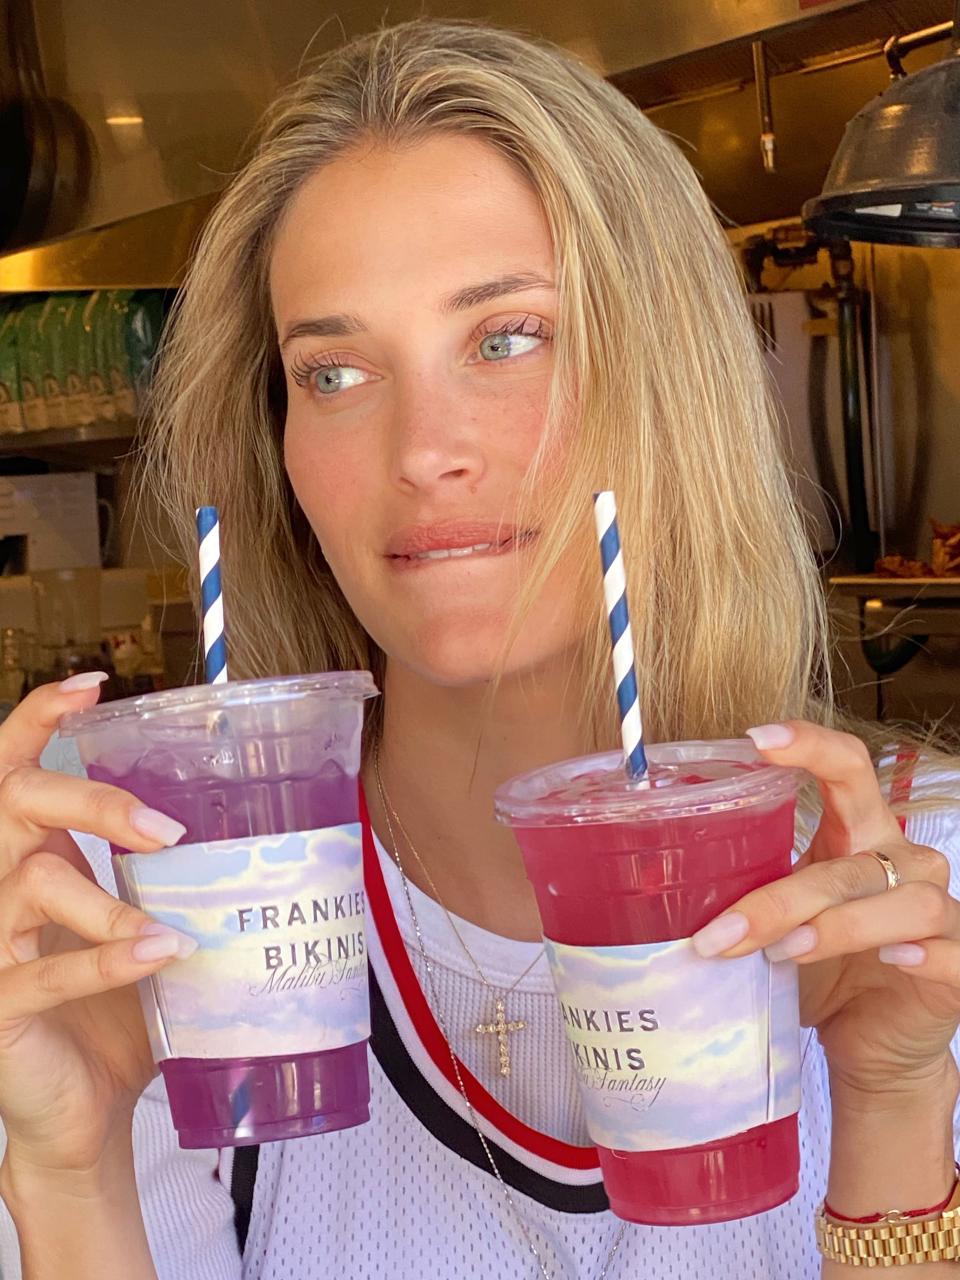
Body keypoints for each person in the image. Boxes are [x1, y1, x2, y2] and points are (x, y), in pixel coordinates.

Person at [1, 19, 959, 1280]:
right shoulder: (131, 918)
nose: (421, 448)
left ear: (668, 382)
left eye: (508, 337)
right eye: (334, 371)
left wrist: (891, 1109)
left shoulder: (910, 893)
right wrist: (70, 1174)